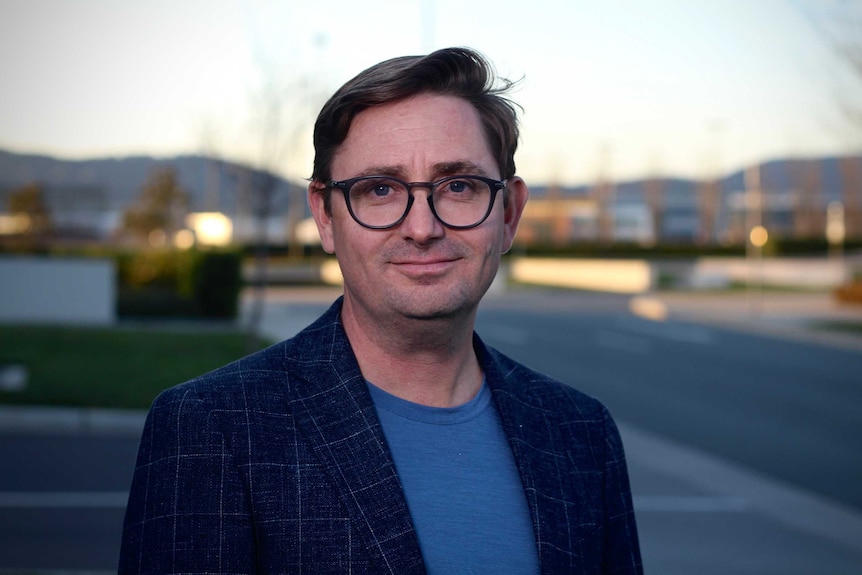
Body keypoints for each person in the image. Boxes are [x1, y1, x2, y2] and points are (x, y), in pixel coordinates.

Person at [119, 47, 642, 574]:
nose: (422, 228)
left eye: (458, 185)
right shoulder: (212, 428)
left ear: (509, 213)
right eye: (380, 189)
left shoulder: (581, 433)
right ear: (325, 216)